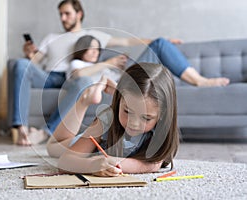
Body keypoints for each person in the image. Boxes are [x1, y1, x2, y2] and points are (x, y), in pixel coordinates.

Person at [12, 0, 230, 146]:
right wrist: (31, 53)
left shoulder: (94, 35)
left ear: (79, 14)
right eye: (60, 14)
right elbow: (38, 61)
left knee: (160, 44)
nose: (63, 18)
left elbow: (126, 41)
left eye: (67, 13)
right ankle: (19, 128)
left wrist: (154, 41)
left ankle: (199, 80)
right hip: (54, 76)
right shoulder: (51, 37)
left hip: (96, 79)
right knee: (20, 64)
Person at [46, 63, 180, 176]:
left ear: (163, 115)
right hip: (86, 141)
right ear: (118, 103)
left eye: (146, 118)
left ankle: (115, 90)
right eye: (127, 111)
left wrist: (115, 163)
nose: (134, 123)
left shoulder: (161, 127)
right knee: (52, 147)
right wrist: (92, 165)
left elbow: (153, 165)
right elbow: (64, 162)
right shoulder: (106, 119)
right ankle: (84, 101)